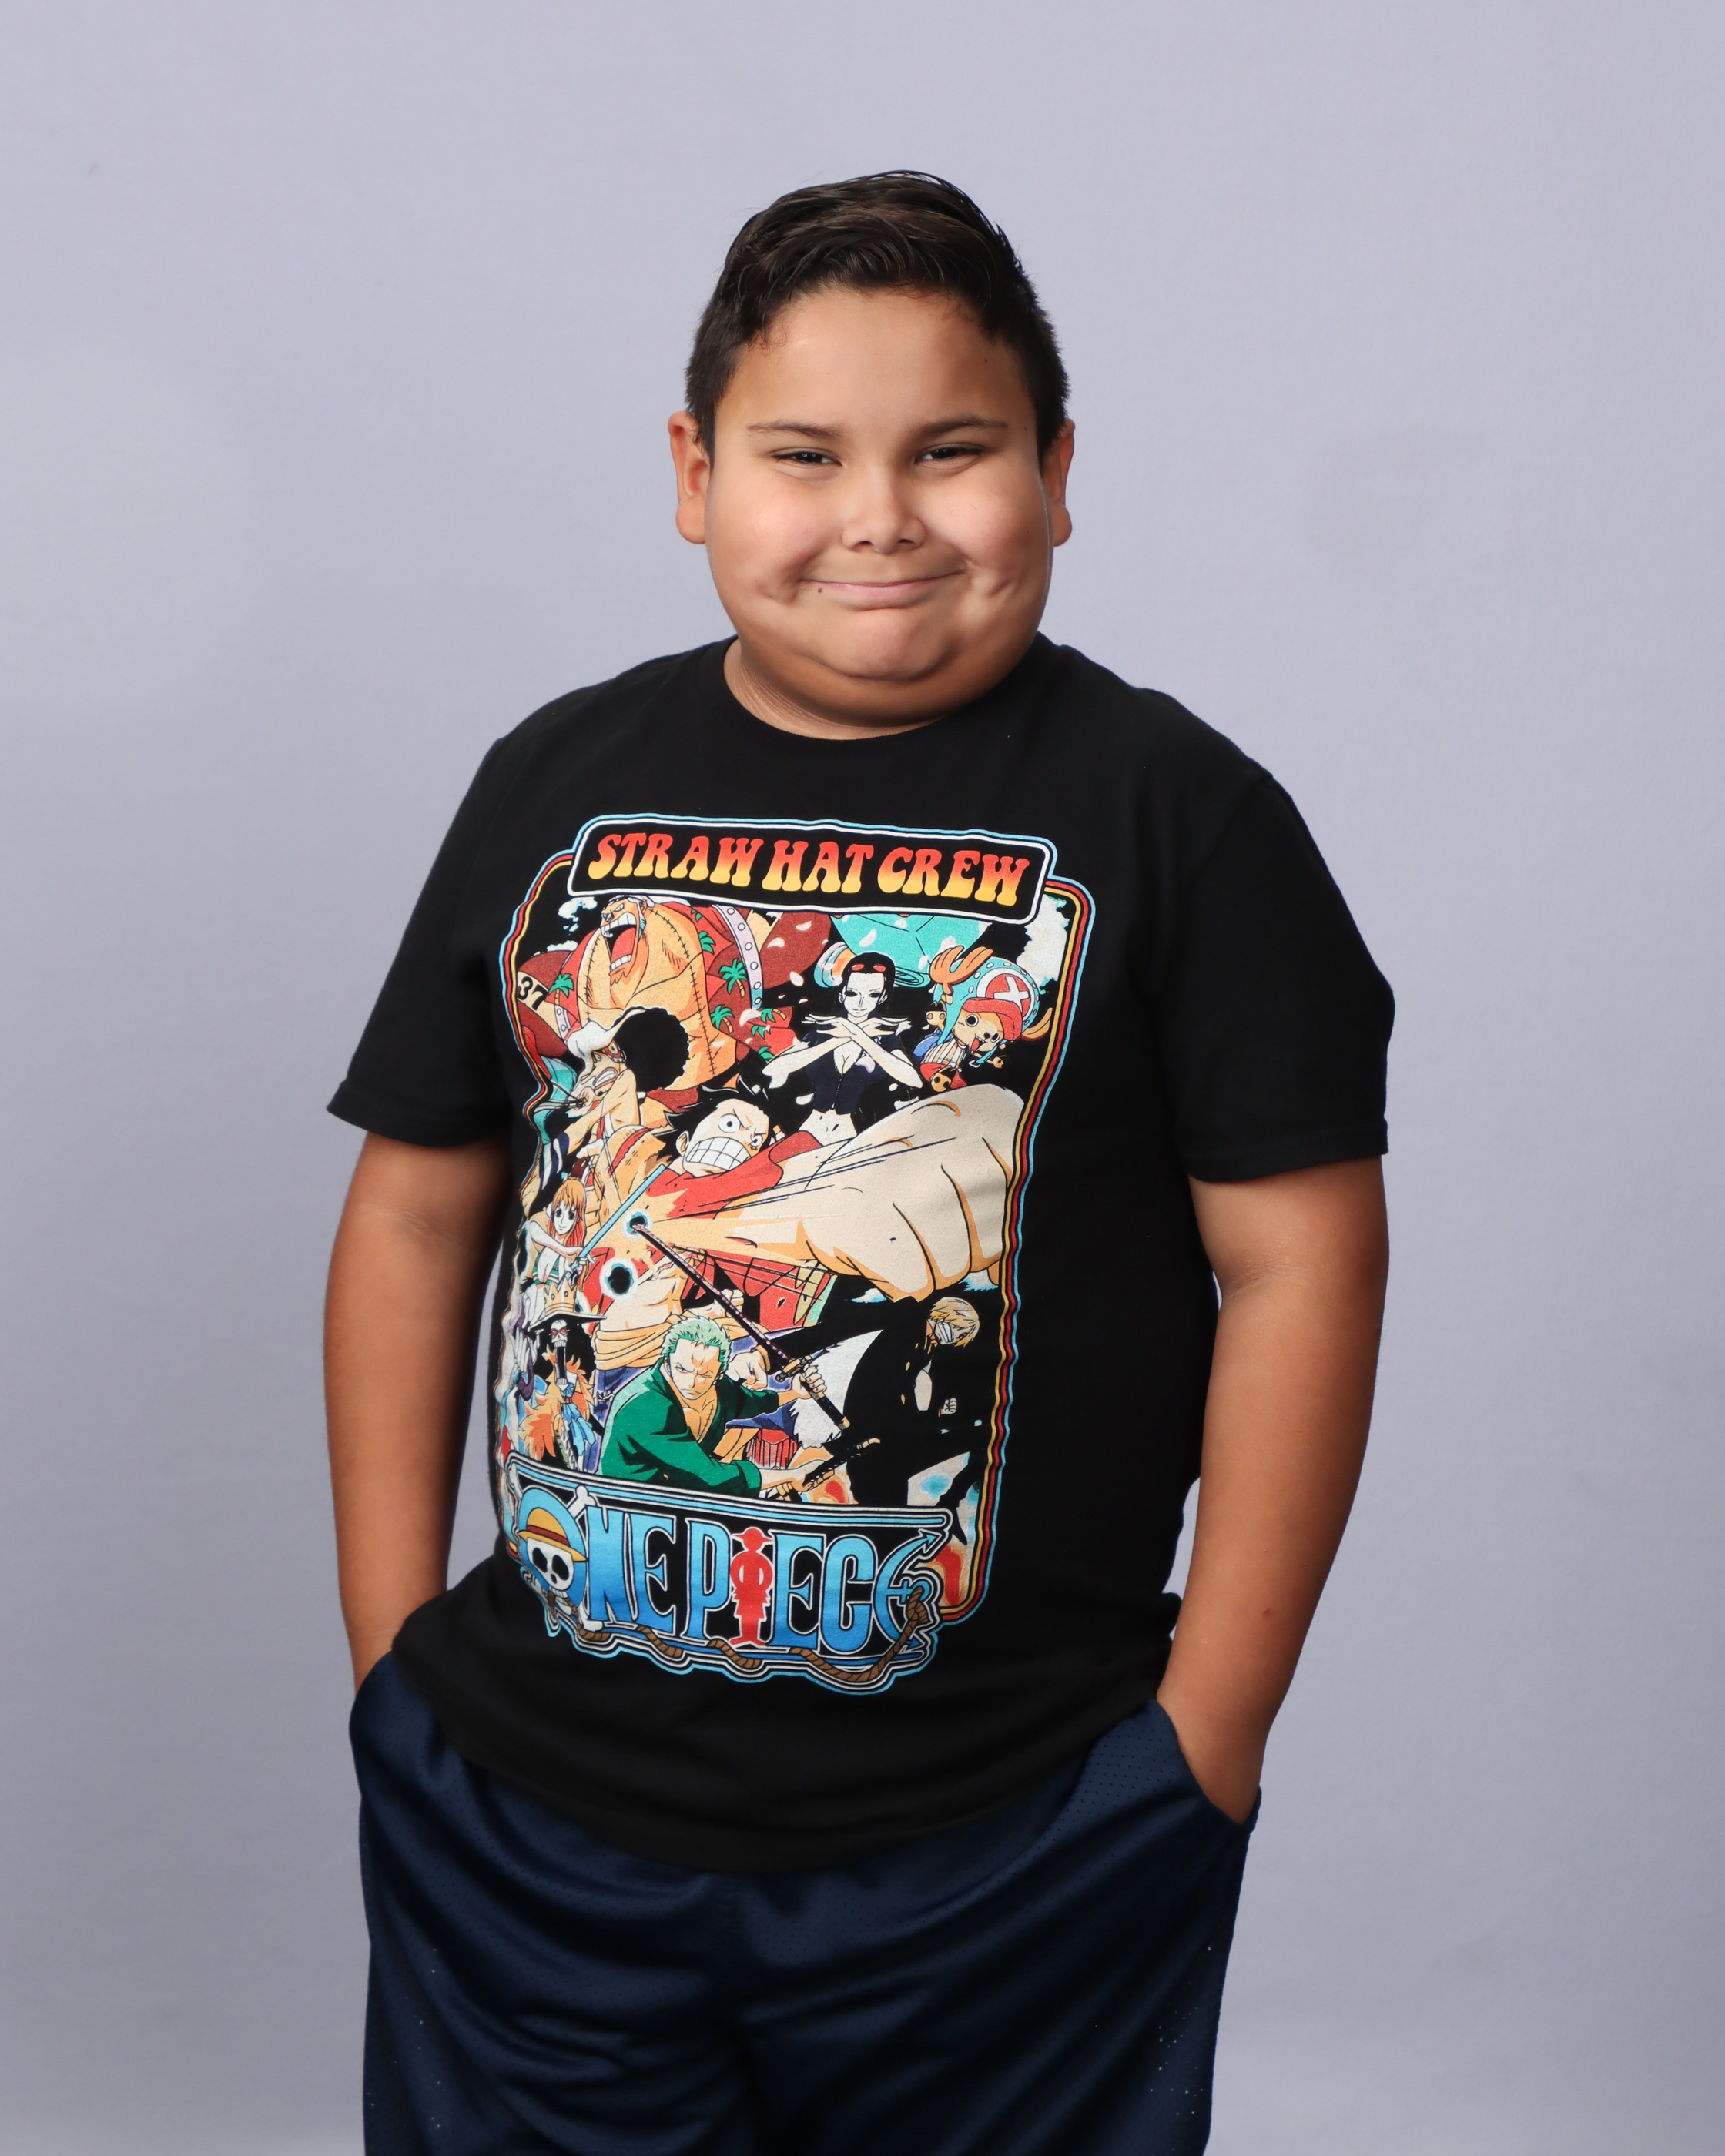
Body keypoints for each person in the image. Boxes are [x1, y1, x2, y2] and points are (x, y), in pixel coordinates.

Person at [327, 172, 1393, 2155]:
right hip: (531, 1807)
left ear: (1057, 472)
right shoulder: (555, 784)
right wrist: (391, 1660)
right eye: (803, 454)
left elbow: (1304, 1265)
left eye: (953, 451)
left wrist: (1208, 1739)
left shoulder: (1183, 817)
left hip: (1009, 1829)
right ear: (695, 473)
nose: (881, 515)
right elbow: (415, 1208)